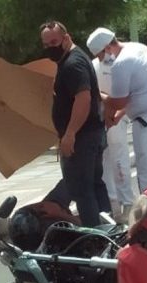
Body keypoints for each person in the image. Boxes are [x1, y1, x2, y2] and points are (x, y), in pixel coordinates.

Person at [89, 28, 147, 192]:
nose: (101, 61)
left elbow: (118, 102)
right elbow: (135, 95)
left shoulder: (121, 63)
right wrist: (118, 115)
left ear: (107, 48)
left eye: (100, 56)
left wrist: (98, 94)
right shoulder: (139, 48)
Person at [40, 21, 110, 227]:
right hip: (91, 134)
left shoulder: (73, 64)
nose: (50, 47)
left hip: (82, 137)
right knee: (95, 185)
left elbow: (83, 98)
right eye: (45, 44)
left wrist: (70, 134)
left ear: (66, 38)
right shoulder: (74, 59)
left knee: (82, 189)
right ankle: (109, 230)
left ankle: (95, 237)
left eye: (54, 42)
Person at [86, 29, 134, 223]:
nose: (100, 57)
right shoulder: (94, 66)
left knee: (120, 159)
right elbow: (94, 92)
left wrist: (117, 115)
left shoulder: (126, 60)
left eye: (100, 53)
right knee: (105, 161)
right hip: (101, 119)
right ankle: (112, 206)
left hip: (118, 118)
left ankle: (128, 203)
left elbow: (130, 94)